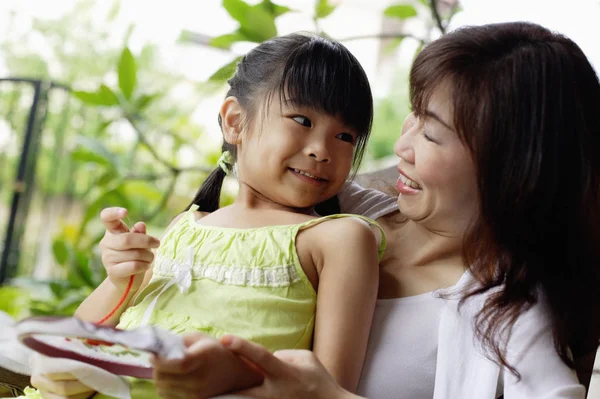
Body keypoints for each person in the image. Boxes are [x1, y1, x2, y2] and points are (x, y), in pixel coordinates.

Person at [29, 21, 600, 399]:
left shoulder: (507, 311)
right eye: (412, 115)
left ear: (512, 165)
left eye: (432, 131)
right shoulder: (340, 207)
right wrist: (122, 274)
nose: (400, 147)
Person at [23, 33, 389, 399]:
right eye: (302, 120)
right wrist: (119, 283)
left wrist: (233, 374)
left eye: (345, 136)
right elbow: (69, 354)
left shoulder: (340, 239)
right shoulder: (186, 227)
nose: (321, 151)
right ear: (235, 121)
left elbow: (328, 391)